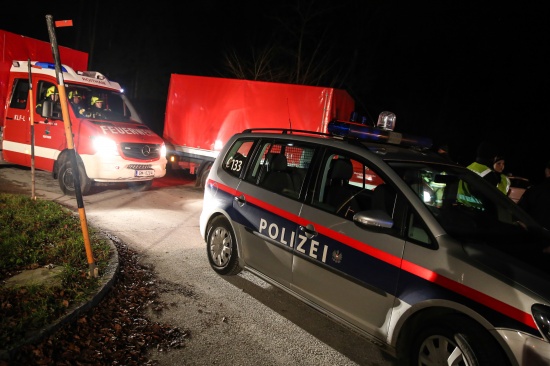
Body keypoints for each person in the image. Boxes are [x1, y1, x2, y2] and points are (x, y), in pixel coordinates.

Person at [517, 160, 550, 230]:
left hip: (534, 236)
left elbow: (517, 213)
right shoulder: (534, 191)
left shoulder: (534, 191)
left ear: (547, 171)